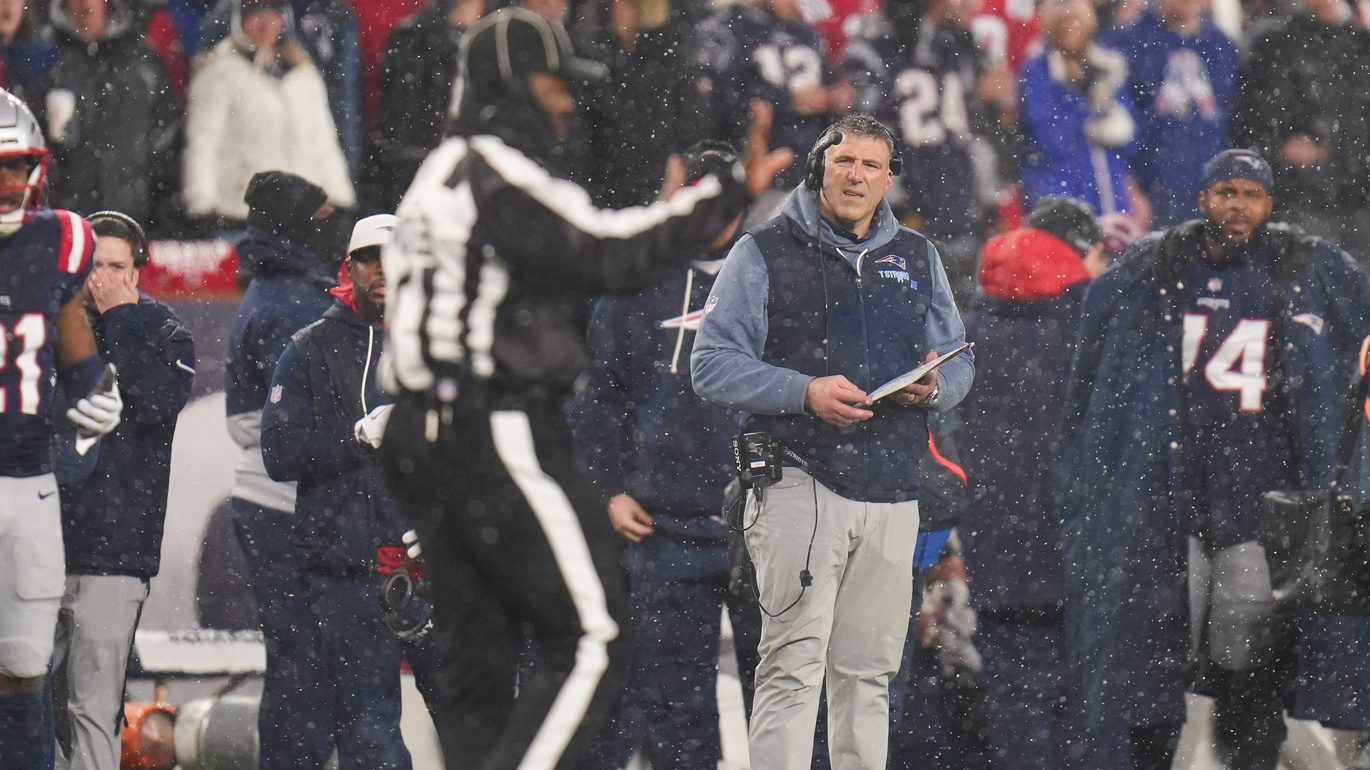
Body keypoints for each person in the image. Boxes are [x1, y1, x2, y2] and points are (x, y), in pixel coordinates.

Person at [376, 8, 789, 768]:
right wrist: (721, 195)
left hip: (427, 429)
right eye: (552, 84)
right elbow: (604, 254)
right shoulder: (494, 170)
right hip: (487, 422)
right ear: (511, 84)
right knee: (594, 633)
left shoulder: (438, 175)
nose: (567, 104)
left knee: (479, 657)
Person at [1056, 149, 1370, 770]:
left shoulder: (1302, 270)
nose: (1238, 206)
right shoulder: (1157, 267)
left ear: (1270, 204)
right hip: (1172, 503)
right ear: (1202, 199)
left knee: (1247, 665)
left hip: (1257, 506)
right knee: (1154, 662)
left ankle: (1244, 757)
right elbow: (1096, 371)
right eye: (1226, 192)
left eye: (1251, 195)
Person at [692, 113, 974, 770]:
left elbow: (959, 363)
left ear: (888, 179)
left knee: (870, 675)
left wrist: (934, 387)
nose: (856, 175)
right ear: (819, 165)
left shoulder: (919, 256)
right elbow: (711, 364)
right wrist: (804, 391)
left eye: (872, 165)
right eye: (845, 160)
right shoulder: (763, 250)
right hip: (799, 477)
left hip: (894, 489)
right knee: (792, 667)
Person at [568, 140, 747, 769]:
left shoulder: (778, 281)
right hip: (663, 528)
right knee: (672, 706)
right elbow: (595, 401)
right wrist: (608, 490)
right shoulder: (632, 286)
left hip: (763, 527)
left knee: (785, 699)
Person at [260, 214, 445, 770]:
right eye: (368, 258)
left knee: (473, 722)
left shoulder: (446, 344)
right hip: (349, 570)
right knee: (368, 734)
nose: (381, 270)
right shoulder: (310, 348)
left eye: (392, 257)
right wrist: (358, 438)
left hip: (439, 566)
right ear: (349, 267)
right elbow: (279, 454)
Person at [958, 196, 1103, 770]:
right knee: (1079, 707)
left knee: (1013, 701)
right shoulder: (1090, 327)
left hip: (991, 542)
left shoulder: (969, 325)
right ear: (1081, 252)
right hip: (1075, 543)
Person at [0, 87, 121, 770]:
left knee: (24, 665)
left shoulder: (59, 240)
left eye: (18, 166)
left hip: (30, 480)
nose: (7, 183)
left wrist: (95, 390)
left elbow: (72, 335)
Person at [48, 211, 194, 770]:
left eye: (116, 267)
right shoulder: (40, 324)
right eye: (94, 265)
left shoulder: (165, 332)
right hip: (39, 540)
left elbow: (157, 403)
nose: (103, 279)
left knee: (95, 705)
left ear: (137, 271)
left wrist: (121, 319)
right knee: (24, 698)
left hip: (115, 551)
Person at [224, 170, 340, 770]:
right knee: (306, 662)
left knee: (300, 660)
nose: (333, 230)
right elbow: (284, 431)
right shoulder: (295, 303)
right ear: (296, 227)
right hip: (289, 505)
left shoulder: (274, 292)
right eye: (321, 218)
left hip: (275, 503)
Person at [842, 0, 1005, 305]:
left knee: (948, 312)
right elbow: (863, 127)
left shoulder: (954, 43)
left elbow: (979, 126)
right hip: (923, 201)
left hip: (948, 201)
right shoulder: (892, 44)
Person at [183, 0, 354, 230]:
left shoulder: (304, 75)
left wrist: (341, 198)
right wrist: (202, 204)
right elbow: (203, 143)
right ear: (239, 20)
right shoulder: (219, 73)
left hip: (302, 218)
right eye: (256, 15)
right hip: (240, 215)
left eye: (273, 15)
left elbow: (323, 144)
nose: (266, 24)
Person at [1233, 0, 1370, 266]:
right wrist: (1280, 149)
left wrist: (1346, 149)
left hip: (1359, 199)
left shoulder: (1361, 44)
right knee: (1306, 279)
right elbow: (1250, 122)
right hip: (1300, 200)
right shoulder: (1275, 44)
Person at [44, 0, 179, 226]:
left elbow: (166, 137)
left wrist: (159, 208)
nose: (85, 4)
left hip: (133, 216)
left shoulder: (141, 60)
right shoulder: (43, 58)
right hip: (63, 219)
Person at [694, 0, 850, 189]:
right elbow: (718, 97)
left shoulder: (803, 31)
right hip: (751, 173)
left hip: (811, 167)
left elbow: (834, 87)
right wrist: (785, 101)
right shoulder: (727, 27)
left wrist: (836, 97)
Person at [1018, 0, 1139, 217]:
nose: (1070, 30)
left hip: (1109, 192)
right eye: (1062, 24)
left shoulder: (1107, 66)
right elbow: (1052, 138)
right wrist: (1086, 110)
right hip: (1059, 195)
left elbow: (1130, 140)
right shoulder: (1038, 71)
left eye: (1075, 22)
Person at [371, 0, 483, 211]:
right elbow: (402, 119)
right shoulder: (414, 37)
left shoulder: (486, 40)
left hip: (458, 170)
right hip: (416, 171)